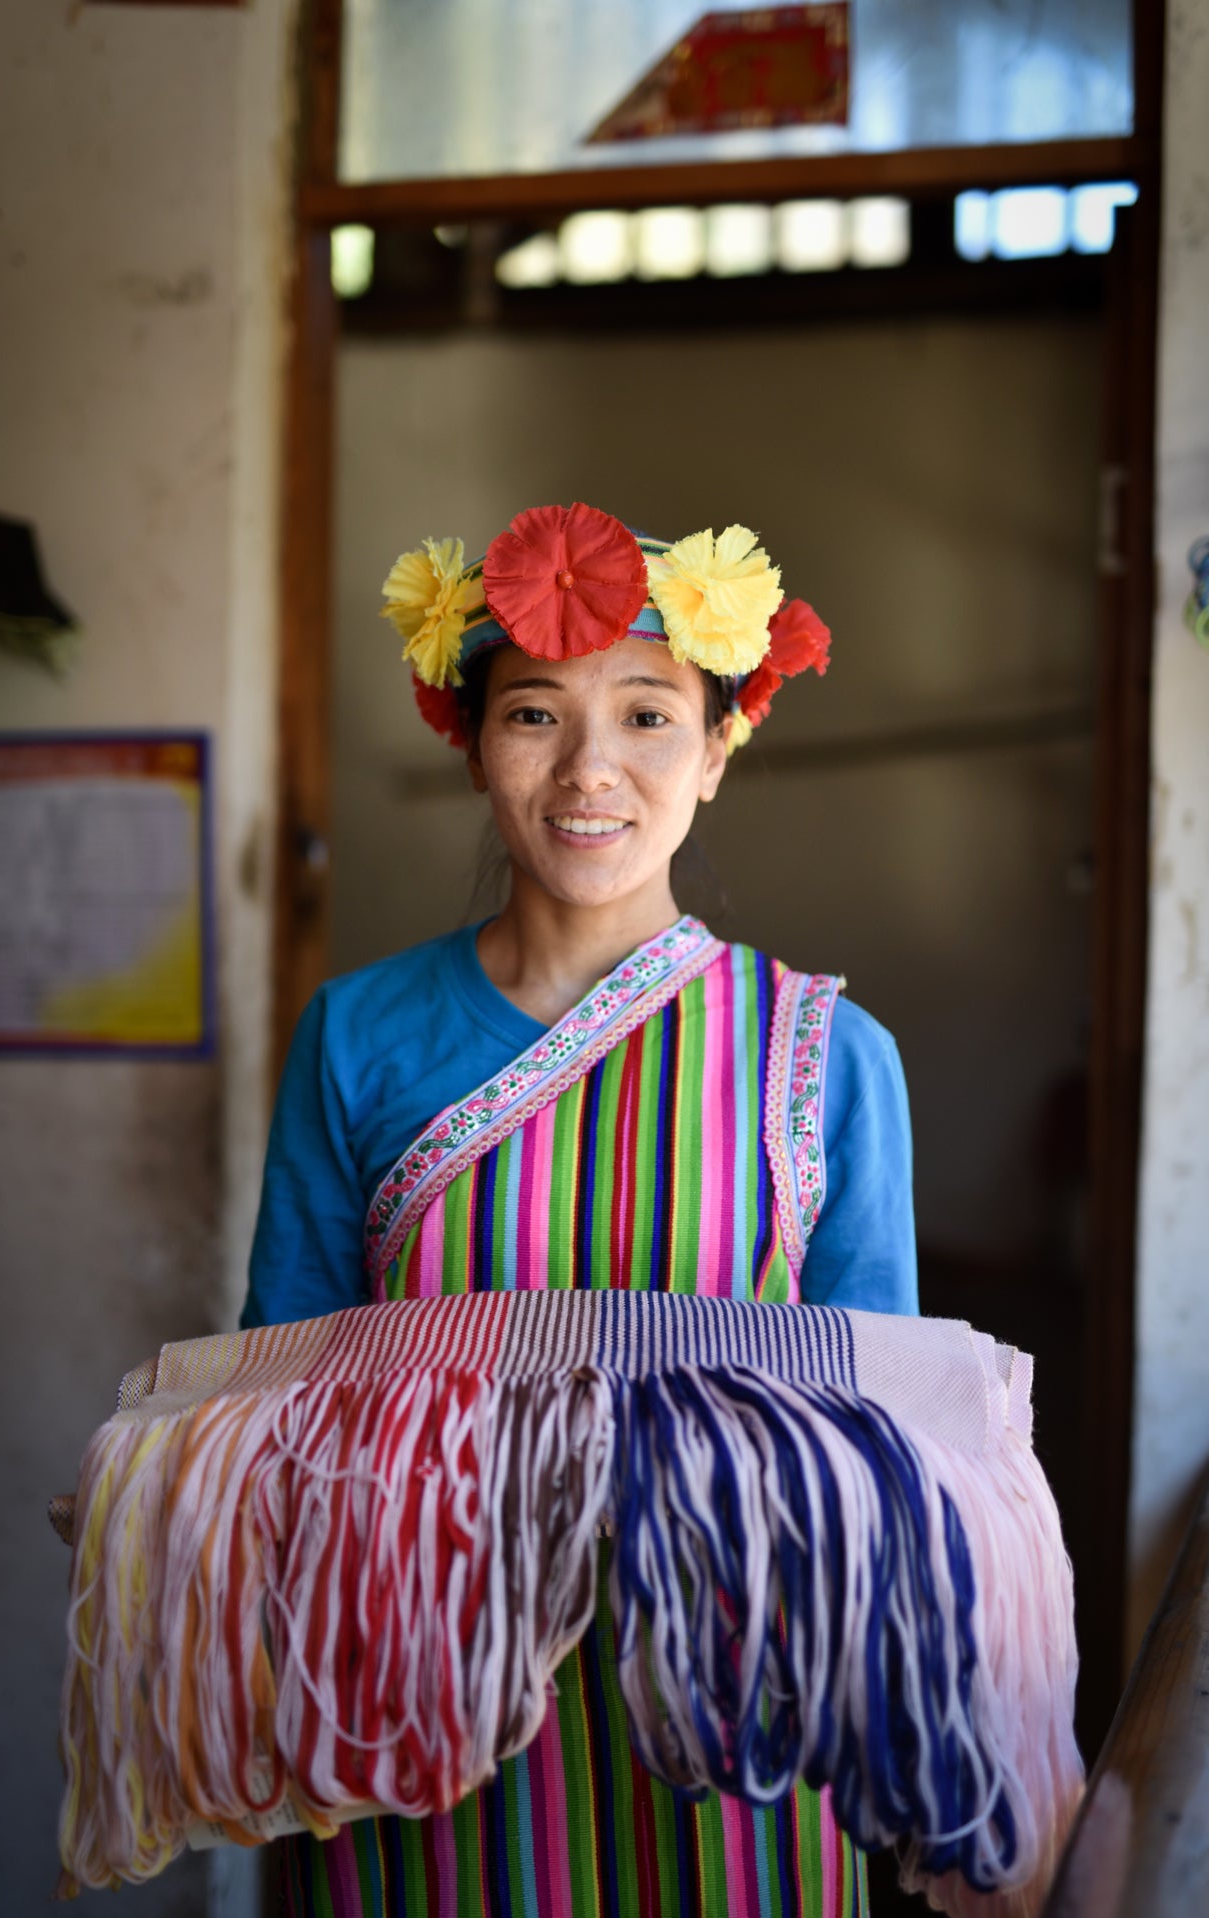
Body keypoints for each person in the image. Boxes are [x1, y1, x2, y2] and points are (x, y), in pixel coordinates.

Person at [243, 502, 918, 1917]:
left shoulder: (824, 1057)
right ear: (472, 744)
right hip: (415, 1696)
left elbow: (882, 1438)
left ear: (719, 750)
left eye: (650, 716)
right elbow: (281, 1392)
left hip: (738, 1707)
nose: (588, 768)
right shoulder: (357, 1035)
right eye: (535, 713)